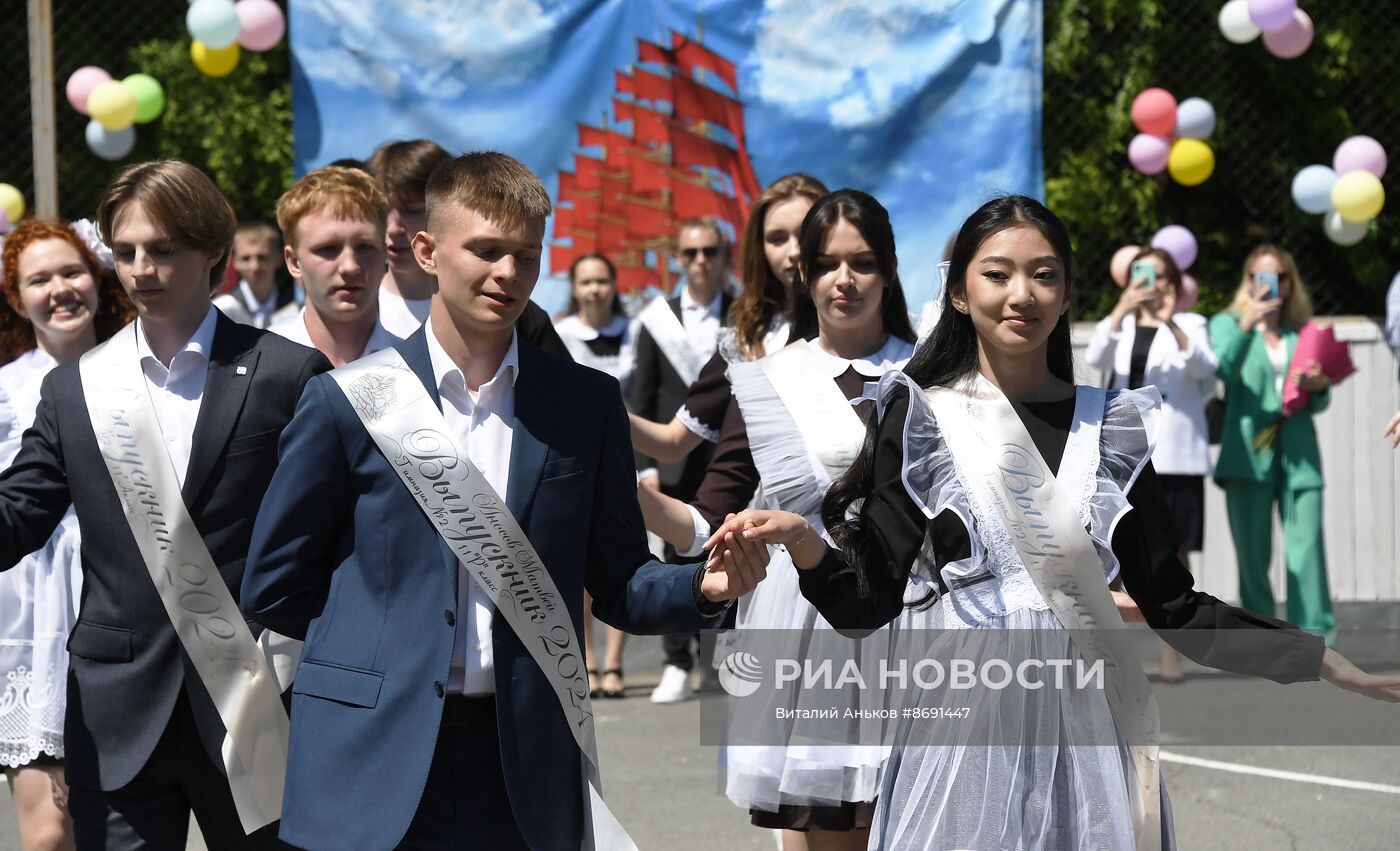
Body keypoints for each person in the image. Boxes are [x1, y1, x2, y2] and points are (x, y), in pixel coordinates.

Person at [706, 196, 1400, 849]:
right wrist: (804, 544)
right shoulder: (920, 418)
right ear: (958, 292)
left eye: (1044, 275)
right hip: (958, 739)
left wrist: (1319, 659)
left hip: (1093, 733)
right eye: (997, 273)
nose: (1022, 294)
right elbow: (868, 604)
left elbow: (1175, 603)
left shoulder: (1114, 426)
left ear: (1067, 293)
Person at [240, 151, 768, 851]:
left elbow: (617, 581)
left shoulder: (585, 404)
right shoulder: (347, 400)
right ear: (427, 250)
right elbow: (276, 582)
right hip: (370, 752)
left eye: (525, 254)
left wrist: (702, 586)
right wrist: (372, 646)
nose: (508, 273)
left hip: (523, 757)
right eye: (486, 251)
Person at [0, 160, 330, 850]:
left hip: (255, 706)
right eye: (124, 252)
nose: (141, 268)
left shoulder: (286, 373)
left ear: (213, 250)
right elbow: (19, 514)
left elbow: (335, 531)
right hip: (119, 717)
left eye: (162, 249)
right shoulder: (74, 389)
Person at [638, 189, 916, 850]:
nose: (844, 280)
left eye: (864, 262)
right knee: (829, 836)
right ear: (805, 274)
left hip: (914, 623)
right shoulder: (766, 379)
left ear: (891, 269)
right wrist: (625, 488)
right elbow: (710, 516)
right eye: (826, 264)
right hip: (807, 632)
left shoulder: (936, 374)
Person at [0, 218, 135, 851]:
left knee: (119, 829)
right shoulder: (5, 392)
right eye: (39, 278)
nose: (59, 289)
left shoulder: (139, 370)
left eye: (71, 271)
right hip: (28, 623)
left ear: (97, 275)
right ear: (15, 296)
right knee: (50, 833)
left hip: (120, 602)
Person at [628, 174, 828, 464]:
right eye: (777, 238)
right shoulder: (749, 331)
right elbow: (672, 440)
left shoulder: (877, 325)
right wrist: (599, 407)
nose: (794, 250)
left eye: (806, 233)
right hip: (743, 494)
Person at [1086, 246, 1217, 680]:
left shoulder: (1191, 324)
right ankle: (1110, 655)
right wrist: (1122, 310)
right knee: (1111, 547)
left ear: (1174, 284)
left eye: (1161, 276)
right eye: (1144, 274)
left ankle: (1171, 653)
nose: (1152, 284)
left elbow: (1204, 367)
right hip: (1126, 453)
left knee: (1174, 555)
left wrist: (1170, 321)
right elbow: (1096, 357)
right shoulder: (1120, 326)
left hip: (1175, 455)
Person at [628, 216, 736, 703]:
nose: (699, 262)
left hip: (732, 457)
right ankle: (676, 661)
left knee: (733, 553)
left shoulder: (747, 313)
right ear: (678, 259)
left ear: (724, 256)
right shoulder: (657, 318)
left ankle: (720, 663)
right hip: (672, 461)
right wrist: (645, 468)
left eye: (709, 252)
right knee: (674, 556)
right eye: (690, 253)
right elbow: (642, 395)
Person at [1209, 246, 1335, 642]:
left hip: (1299, 453)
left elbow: (1320, 397)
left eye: (1279, 276)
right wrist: (1249, 322)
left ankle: (1317, 641)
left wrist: (1319, 387)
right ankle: (1264, 642)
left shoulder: (1304, 332)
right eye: (1260, 277)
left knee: (1307, 552)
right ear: (1247, 282)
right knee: (1253, 556)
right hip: (1247, 453)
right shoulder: (1228, 325)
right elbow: (1222, 368)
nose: (1271, 284)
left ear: (1290, 282)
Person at [363, 138, 570, 357]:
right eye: (383, 210)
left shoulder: (521, 317)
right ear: (426, 251)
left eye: (412, 210)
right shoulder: (350, 303)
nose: (393, 227)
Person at [552, 252, 638, 698]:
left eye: (602, 280)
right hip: (580, 457)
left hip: (634, 458)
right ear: (574, 286)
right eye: (585, 282)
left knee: (623, 558)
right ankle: (585, 657)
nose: (594, 290)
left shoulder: (636, 333)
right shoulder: (561, 334)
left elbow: (649, 394)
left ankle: (614, 662)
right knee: (581, 563)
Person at [269, 167, 402, 366]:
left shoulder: (416, 369)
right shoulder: (260, 366)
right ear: (294, 262)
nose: (350, 266)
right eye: (328, 248)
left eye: (365, 247)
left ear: (384, 252)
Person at [213, 222, 297, 329]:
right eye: (246, 258)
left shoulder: (295, 310)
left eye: (262, 257)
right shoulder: (222, 310)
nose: (255, 267)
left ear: (279, 259)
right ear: (234, 262)